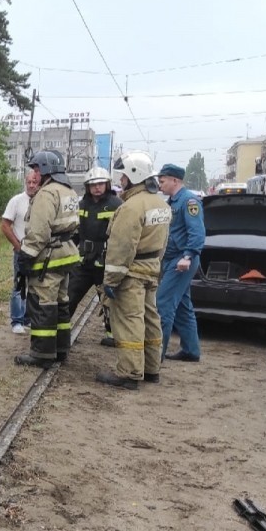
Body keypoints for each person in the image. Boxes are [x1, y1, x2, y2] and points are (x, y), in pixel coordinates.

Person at [95, 151, 171, 390]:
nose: (121, 181)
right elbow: (163, 244)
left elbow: (121, 248)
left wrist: (111, 280)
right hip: (150, 270)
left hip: (131, 274)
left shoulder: (131, 207)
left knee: (129, 321)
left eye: (123, 176)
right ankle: (151, 369)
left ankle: (129, 373)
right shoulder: (160, 204)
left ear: (133, 175)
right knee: (150, 319)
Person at [14, 151, 80, 369]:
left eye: (36, 169)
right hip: (66, 254)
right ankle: (61, 349)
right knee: (61, 304)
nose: (34, 173)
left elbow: (39, 232)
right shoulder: (69, 191)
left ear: (45, 169)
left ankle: (42, 354)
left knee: (43, 304)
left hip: (49, 258)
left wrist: (26, 256)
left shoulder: (46, 193)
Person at [66, 167, 123, 346]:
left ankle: (112, 335)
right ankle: (62, 330)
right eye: (93, 185)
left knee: (108, 299)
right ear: (87, 187)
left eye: (100, 184)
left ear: (106, 184)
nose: (97, 188)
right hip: (83, 260)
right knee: (70, 295)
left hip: (105, 261)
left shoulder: (116, 204)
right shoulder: (81, 205)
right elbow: (75, 232)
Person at [156, 163, 206, 362]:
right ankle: (191, 350)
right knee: (183, 306)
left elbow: (197, 232)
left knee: (163, 304)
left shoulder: (188, 201)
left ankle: (155, 355)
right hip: (172, 259)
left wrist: (188, 256)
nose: (160, 184)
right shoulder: (173, 201)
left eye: (163, 181)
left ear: (175, 180)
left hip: (181, 260)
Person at [0, 169, 40, 335]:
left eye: (34, 182)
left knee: (35, 286)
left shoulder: (44, 201)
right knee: (19, 285)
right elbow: (5, 225)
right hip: (22, 251)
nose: (31, 185)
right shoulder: (16, 201)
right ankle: (16, 320)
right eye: (28, 182)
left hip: (39, 251)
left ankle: (28, 318)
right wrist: (17, 245)